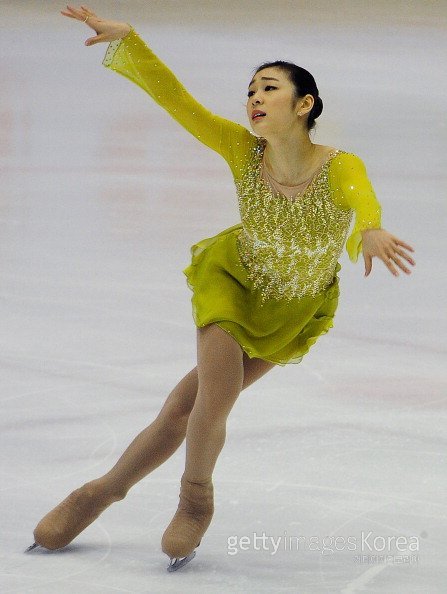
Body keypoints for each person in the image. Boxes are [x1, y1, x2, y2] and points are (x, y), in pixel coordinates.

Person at [28, 4, 415, 571]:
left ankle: (102, 490)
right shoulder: (241, 149)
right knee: (213, 396)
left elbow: (362, 203)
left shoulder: (340, 167)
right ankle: (196, 498)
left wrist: (373, 228)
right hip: (233, 282)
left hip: (292, 307)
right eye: (250, 89)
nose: (254, 97)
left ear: (304, 105)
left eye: (270, 88)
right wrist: (132, 43)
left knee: (184, 407)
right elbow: (178, 102)